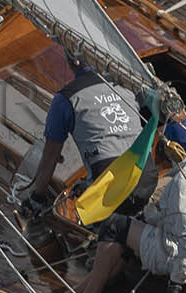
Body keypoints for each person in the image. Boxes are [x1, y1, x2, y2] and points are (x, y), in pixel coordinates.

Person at [77, 116, 186, 293]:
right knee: (135, 224)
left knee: (114, 226)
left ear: (173, 148)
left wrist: (175, 284)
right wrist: (147, 220)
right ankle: (82, 290)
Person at [17, 59, 143, 211]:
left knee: (105, 225)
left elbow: (50, 157)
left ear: (73, 60)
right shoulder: (125, 83)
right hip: (146, 173)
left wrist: (36, 198)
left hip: (109, 181)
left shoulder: (66, 98)